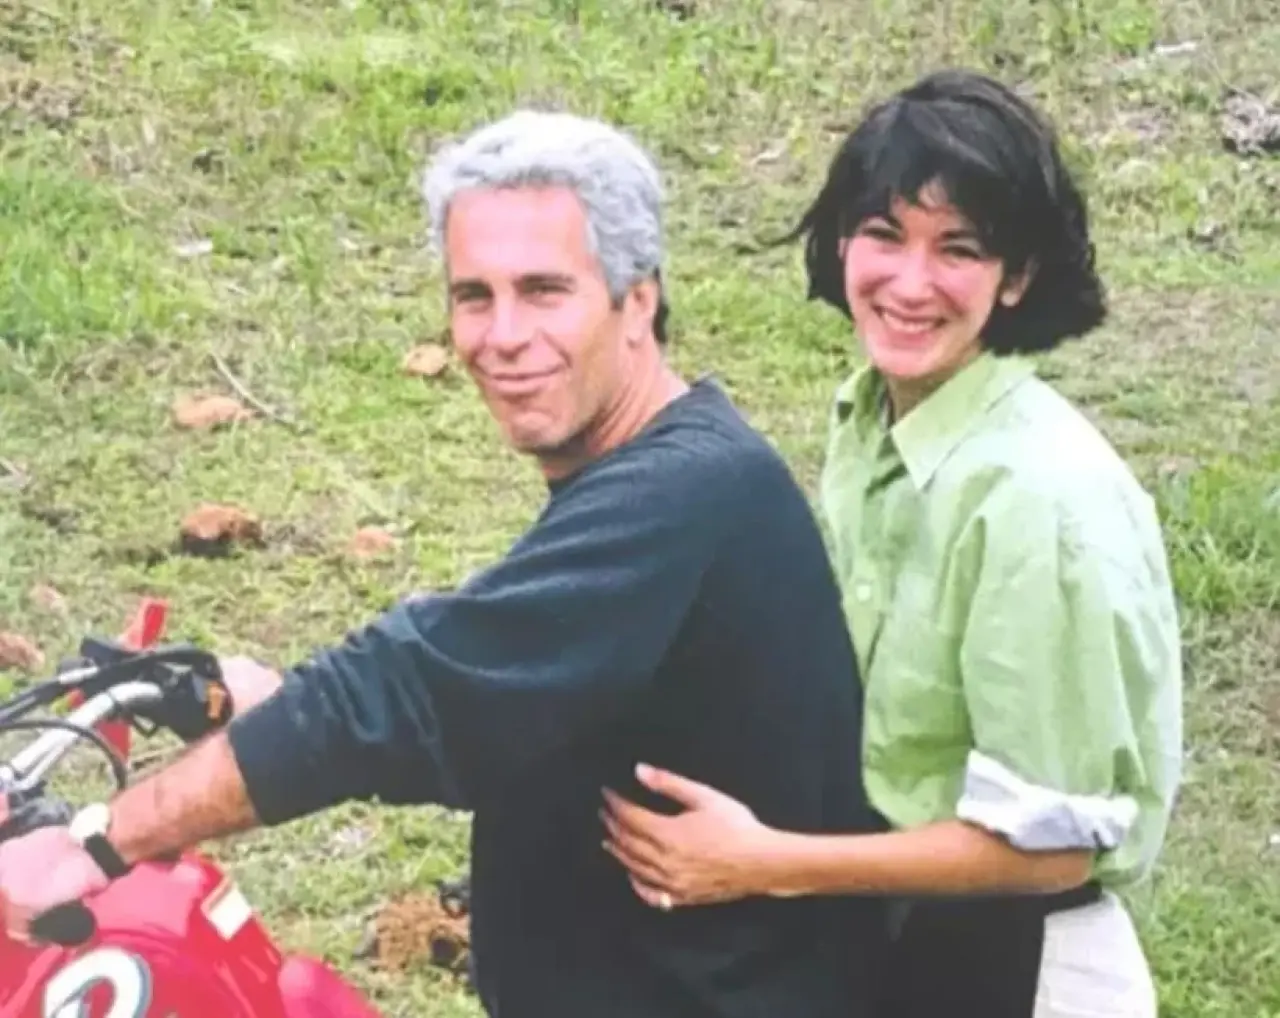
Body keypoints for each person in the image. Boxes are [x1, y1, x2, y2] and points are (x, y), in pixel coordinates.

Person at [0, 111, 891, 1018]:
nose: (502, 335)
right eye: (474, 296)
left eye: (544, 291)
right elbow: (490, 686)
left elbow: (415, 688)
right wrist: (269, 703)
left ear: (637, 301)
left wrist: (96, 844)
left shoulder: (684, 492)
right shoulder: (664, 467)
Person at [601, 69, 1184, 1018]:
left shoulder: (1041, 501)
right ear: (840, 243)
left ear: (1017, 277)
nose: (911, 283)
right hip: (899, 944)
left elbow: (1052, 849)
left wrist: (765, 863)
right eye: (884, 234)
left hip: (1021, 966)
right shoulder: (871, 421)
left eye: (959, 249)